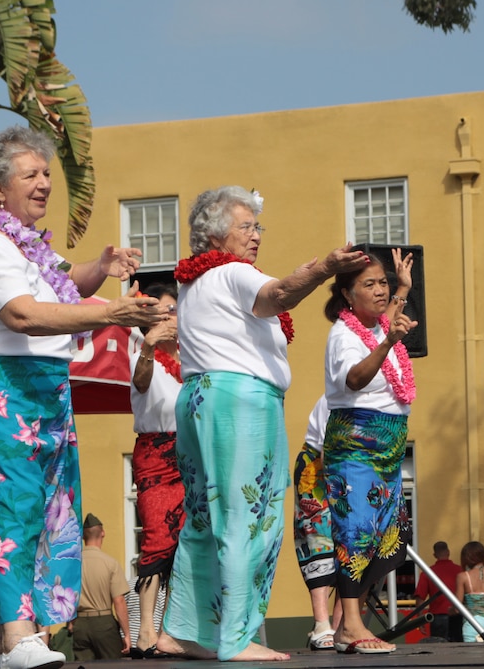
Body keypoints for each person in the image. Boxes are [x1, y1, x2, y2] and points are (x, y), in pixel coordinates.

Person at [0, 126, 164, 669]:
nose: (45, 183)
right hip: (1, 386)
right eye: (32, 175)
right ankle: (22, 636)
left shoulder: (27, 243)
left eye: (47, 173)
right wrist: (113, 313)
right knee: (11, 505)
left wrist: (103, 268)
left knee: (45, 508)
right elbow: (22, 313)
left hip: (45, 388)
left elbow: (67, 287)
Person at [155, 185, 366, 662]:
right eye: (246, 227)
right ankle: (233, 637)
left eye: (258, 227)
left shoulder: (193, 285)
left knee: (204, 519)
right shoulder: (231, 272)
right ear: (214, 236)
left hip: (199, 397)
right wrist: (324, 269)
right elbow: (276, 294)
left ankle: (183, 631)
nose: (255, 236)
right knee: (249, 518)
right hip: (239, 402)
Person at [322, 249, 416, 655]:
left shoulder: (379, 325)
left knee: (390, 536)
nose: (381, 291)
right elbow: (357, 378)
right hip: (357, 444)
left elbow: (388, 317)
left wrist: (404, 289)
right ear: (347, 294)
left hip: (391, 445)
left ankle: (351, 621)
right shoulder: (343, 335)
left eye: (384, 283)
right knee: (355, 533)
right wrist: (390, 340)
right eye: (370, 284)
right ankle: (350, 625)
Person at [128, 283, 184, 659]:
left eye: (174, 311)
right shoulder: (141, 353)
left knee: (185, 544)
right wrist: (149, 344)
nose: (171, 317)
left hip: (190, 455)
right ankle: (145, 630)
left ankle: (172, 630)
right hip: (155, 453)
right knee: (157, 538)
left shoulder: (190, 360)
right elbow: (141, 382)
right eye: (163, 310)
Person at [291, 395, 342, 651]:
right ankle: (323, 624)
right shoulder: (336, 396)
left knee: (354, 546)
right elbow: (328, 450)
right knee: (317, 539)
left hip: (353, 467)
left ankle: (344, 626)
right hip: (318, 465)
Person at [72, 515, 131, 660]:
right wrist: (127, 634)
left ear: (83, 535)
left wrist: (71, 623)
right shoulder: (110, 563)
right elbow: (119, 601)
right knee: (112, 665)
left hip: (79, 623)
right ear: (102, 533)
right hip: (104, 622)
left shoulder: (72, 564)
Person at [414, 541, 463, 642]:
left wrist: (420, 620)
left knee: (439, 650)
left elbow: (420, 598)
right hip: (458, 616)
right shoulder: (460, 571)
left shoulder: (428, 573)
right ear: (448, 552)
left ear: (435, 555)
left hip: (437, 618)